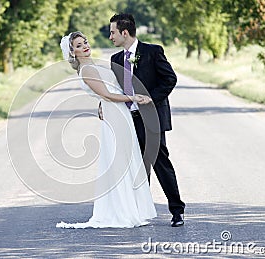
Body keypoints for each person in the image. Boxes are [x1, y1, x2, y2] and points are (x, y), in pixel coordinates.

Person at [56, 31, 157, 228]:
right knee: (119, 161)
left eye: (84, 42)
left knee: (128, 158)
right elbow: (107, 95)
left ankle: (133, 209)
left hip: (118, 113)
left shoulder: (92, 65)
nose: (84, 46)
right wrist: (133, 98)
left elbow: (106, 93)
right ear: (72, 52)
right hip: (114, 114)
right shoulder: (86, 69)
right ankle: (123, 211)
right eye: (78, 45)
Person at [108, 13, 185, 227]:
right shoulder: (115, 59)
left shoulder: (153, 52)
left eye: (113, 32)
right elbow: (114, 90)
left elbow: (170, 79)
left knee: (160, 162)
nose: (110, 36)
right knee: (136, 166)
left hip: (152, 118)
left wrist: (149, 99)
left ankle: (177, 210)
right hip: (128, 119)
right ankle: (141, 211)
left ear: (125, 32)